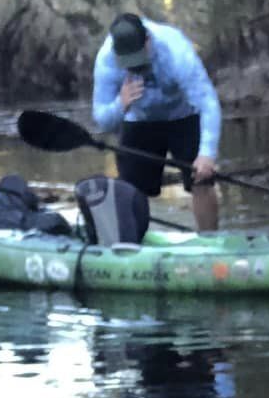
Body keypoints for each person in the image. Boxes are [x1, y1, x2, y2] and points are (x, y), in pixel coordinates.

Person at [93, 12, 222, 234]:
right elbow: (102, 120)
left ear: (148, 40)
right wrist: (120, 104)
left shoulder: (175, 51)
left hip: (184, 116)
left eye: (139, 59)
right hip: (139, 120)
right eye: (129, 63)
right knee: (129, 190)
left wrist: (207, 154)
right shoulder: (107, 61)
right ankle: (132, 245)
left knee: (201, 180)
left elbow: (208, 102)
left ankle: (210, 242)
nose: (135, 67)